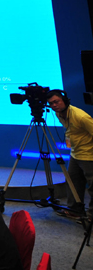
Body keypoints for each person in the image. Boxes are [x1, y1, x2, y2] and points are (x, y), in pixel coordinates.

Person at [48, 90, 93, 219]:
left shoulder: (81, 116)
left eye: (56, 102)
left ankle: (91, 217)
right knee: (72, 182)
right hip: (75, 153)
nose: (54, 105)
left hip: (88, 155)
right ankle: (74, 211)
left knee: (92, 187)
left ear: (65, 100)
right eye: (51, 103)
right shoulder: (58, 113)